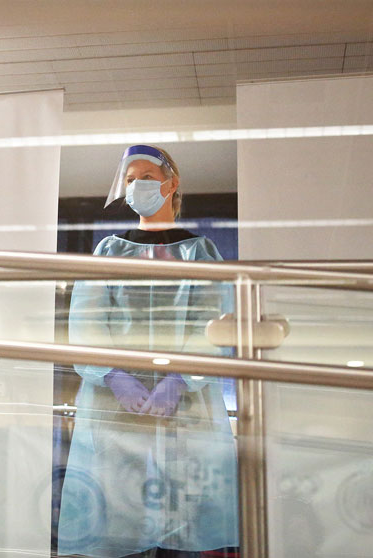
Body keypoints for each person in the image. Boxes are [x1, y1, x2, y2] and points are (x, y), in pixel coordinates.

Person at [56, 145, 239, 558]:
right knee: (118, 518)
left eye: (145, 177)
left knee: (187, 523)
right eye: (129, 179)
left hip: (187, 411)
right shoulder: (108, 251)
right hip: (114, 412)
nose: (135, 185)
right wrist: (113, 375)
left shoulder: (200, 251)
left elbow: (211, 323)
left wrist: (179, 379)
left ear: (171, 184)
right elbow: (86, 323)